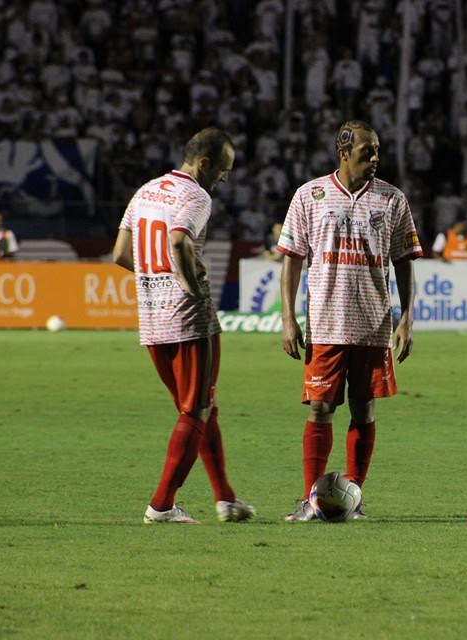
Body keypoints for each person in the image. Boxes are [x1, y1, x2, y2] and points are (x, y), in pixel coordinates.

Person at [277, 120, 423, 522]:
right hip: (325, 324)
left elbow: (405, 262)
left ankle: (353, 500)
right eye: (367, 152)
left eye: (377, 151)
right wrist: (288, 319)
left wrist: (407, 318)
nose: (375, 159)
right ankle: (311, 500)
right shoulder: (310, 196)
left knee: (364, 411)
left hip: (374, 325)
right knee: (320, 409)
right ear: (344, 153)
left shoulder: (392, 199)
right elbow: (290, 259)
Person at [112, 127, 255, 525]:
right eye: (222, 170)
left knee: (198, 409)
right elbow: (178, 240)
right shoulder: (195, 194)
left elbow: (121, 253)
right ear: (204, 163)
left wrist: (155, 277)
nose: (224, 179)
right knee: (196, 410)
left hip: (152, 317)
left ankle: (225, 498)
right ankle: (161, 506)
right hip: (189, 319)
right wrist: (190, 287)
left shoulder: (145, 191)